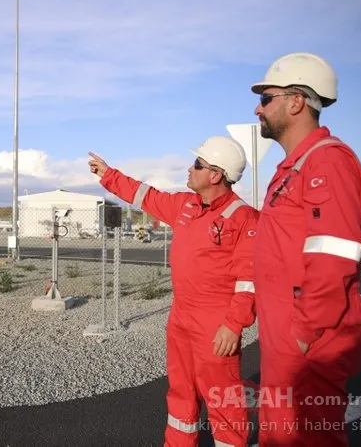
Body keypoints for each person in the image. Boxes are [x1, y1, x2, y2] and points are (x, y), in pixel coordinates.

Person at [89, 136, 258, 447]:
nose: (189, 169)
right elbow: (146, 196)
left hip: (215, 322)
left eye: (197, 164)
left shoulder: (244, 218)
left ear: (216, 175)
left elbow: (251, 280)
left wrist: (233, 325)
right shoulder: (186, 205)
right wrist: (108, 174)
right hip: (181, 317)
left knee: (223, 399)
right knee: (181, 394)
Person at [250, 52, 361, 446]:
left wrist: (300, 335)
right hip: (288, 336)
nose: (258, 108)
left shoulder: (326, 162)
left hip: (308, 341)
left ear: (296, 101)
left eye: (266, 99)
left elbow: (333, 257)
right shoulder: (295, 167)